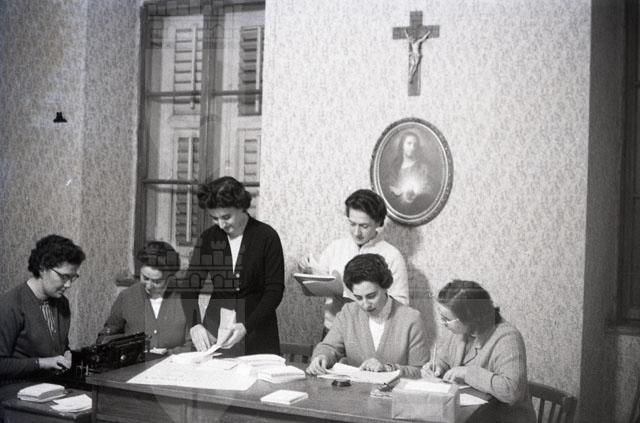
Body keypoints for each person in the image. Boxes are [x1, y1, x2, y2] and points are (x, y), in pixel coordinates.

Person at [184, 176, 284, 355]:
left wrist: (247, 326)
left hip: (257, 331)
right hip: (215, 333)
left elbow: (274, 291)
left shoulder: (266, 237)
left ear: (241, 206)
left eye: (226, 217)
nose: (221, 224)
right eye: (215, 218)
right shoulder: (208, 238)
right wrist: (195, 324)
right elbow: (189, 288)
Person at [299, 189, 409, 337]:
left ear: (378, 222)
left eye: (364, 226)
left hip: (370, 336)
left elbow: (402, 305)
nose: (356, 232)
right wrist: (308, 274)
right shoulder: (336, 247)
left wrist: (352, 293)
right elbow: (312, 288)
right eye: (352, 224)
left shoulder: (392, 255)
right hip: (333, 331)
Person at [422, 280, 536, 423]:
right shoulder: (460, 331)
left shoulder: (507, 338)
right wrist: (436, 367)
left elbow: (512, 391)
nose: (442, 323)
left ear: (469, 317)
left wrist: (467, 373)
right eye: (441, 317)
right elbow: (444, 360)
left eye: (446, 319)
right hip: (473, 416)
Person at [0, 235, 86, 419]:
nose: (68, 285)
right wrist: (42, 362)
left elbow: (59, 346)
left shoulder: (61, 303)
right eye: (63, 277)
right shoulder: (10, 305)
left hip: (51, 388)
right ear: (42, 268)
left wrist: (67, 354)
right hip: (14, 392)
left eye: (73, 277)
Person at [306, 254, 428, 378]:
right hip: (355, 389)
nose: (365, 305)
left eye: (371, 296)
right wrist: (322, 357)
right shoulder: (348, 313)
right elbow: (329, 347)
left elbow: (421, 371)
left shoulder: (411, 319)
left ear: (385, 287)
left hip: (394, 390)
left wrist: (388, 368)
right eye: (358, 298)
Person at [98, 241, 191, 354]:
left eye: (157, 281)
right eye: (145, 278)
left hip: (173, 364)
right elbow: (108, 335)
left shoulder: (185, 299)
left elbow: (192, 345)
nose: (149, 286)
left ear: (170, 277)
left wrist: (168, 354)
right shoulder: (126, 296)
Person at [388, 131, 432, 207]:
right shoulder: (395, 167)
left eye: (415, 145)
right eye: (409, 143)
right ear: (402, 145)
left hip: (416, 206)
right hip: (397, 206)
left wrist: (415, 194)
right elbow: (389, 187)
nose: (412, 148)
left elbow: (428, 190)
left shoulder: (422, 167)